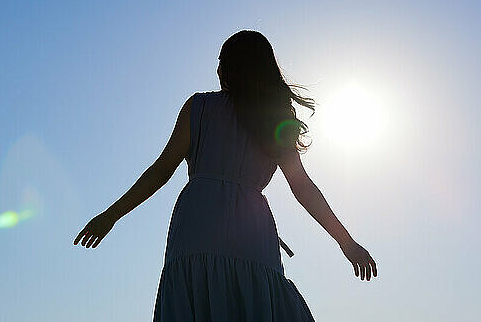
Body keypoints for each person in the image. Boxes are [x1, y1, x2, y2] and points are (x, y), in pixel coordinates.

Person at [73, 30, 377, 321]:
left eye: (221, 61)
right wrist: (346, 242)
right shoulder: (274, 119)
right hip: (251, 229)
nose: (217, 68)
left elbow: (162, 170)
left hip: (197, 225)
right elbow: (303, 188)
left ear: (231, 66)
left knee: (195, 300)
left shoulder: (199, 106)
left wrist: (110, 215)